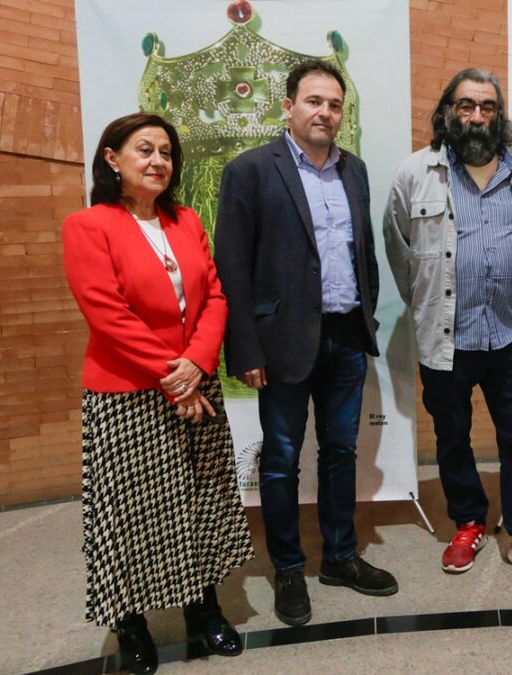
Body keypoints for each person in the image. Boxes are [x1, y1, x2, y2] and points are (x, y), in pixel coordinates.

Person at [62, 113, 254, 674]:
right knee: (131, 514)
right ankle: (133, 625)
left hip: (194, 384)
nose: (157, 161)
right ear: (111, 158)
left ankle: (203, 610)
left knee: (198, 502)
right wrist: (173, 377)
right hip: (127, 393)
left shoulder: (186, 220)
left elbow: (215, 297)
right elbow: (106, 313)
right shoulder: (88, 226)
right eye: (144, 149)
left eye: (166, 152)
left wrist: (196, 363)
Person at [214, 59, 397, 627]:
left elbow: (359, 254)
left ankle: (341, 557)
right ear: (289, 107)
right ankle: (289, 569)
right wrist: (244, 350)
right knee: (281, 461)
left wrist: (367, 313)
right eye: (314, 101)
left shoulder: (355, 170)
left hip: (344, 336)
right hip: (282, 341)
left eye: (335, 104)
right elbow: (232, 266)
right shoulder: (251, 170)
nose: (325, 112)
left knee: (342, 453)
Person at [384, 68, 512, 588]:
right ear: (448, 111)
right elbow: (399, 251)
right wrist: (429, 306)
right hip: (447, 341)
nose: (477, 116)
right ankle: (468, 522)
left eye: (487, 107)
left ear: (499, 115)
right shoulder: (416, 172)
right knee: (452, 438)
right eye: (466, 106)